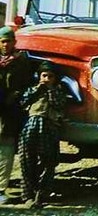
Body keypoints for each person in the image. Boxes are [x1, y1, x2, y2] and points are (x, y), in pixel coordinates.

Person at [18, 61, 67, 208]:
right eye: (44, 75)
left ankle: (42, 195)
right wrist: (38, 89)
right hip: (31, 127)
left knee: (49, 162)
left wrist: (50, 90)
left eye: (50, 76)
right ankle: (28, 195)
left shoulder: (58, 92)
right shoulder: (33, 90)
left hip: (49, 128)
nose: (46, 79)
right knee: (27, 161)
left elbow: (58, 104)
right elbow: (23, 102)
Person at [0, 26, 32, 204]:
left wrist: (16, 95)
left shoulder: (21, 62)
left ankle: (1, 189)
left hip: (10, 113)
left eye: (8, 41)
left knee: (6, 150)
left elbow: (26, 83)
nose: (6, 45)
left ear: (14, 42)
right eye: (3, 41)